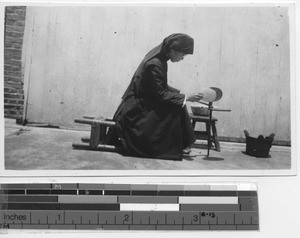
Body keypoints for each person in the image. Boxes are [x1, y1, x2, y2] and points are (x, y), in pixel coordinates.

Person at [109, 33, 203, 160]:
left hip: (143, 103)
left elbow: (159, 87)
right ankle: (179, 146)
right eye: (183, 54)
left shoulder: (160, 60)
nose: (182, 58)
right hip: (135, 112)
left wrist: (184, 95)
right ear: (173, 50)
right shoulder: (155, 64)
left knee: (179, 102)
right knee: (177, 106)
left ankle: (183, 145)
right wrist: (185, 97)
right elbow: (159, 94)